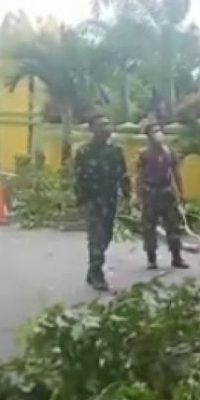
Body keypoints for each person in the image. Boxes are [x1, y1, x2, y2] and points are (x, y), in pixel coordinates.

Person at [74, 115, 131, 291]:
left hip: (110, 199)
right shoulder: (84, 152)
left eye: (108, 124)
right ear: (93, 129)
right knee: (96, 237)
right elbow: (78, 177)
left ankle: (93, 270)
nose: (107, 128)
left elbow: (123, 175)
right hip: (93, 201)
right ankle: (96, 273)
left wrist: (128, 196)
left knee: (106, 236)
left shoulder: (116, 151)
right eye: (102, 125)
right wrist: (81, 201)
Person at [136, 123, 188, 270]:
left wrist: (180, 192)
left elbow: (176, 172)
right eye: (154, 131)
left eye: (159, 130)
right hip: (150, 193)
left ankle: (177, 257)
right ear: (148, 136)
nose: (158, 133)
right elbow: (139, 176)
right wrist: (138, 195)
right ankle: (151, 259)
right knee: (149, 228)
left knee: (173, 226)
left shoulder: (168, 152)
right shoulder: (144, 154)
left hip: (166, 192)